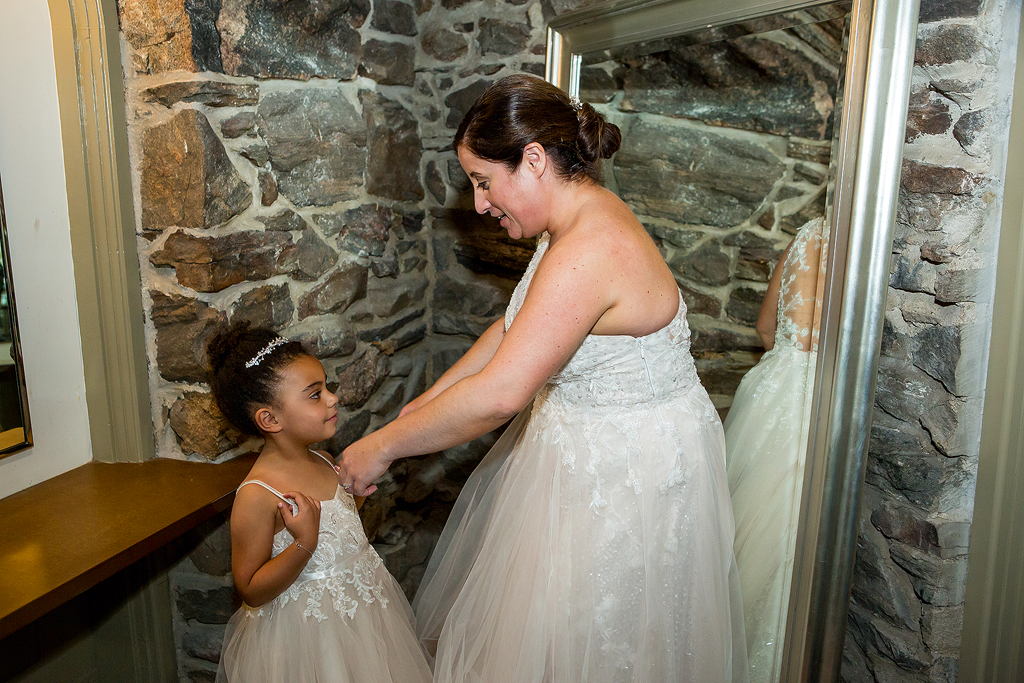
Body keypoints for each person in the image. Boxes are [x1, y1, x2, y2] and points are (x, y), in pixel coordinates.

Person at [341, 74, 747, 682]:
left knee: (593, 644)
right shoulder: (571, 221)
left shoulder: (589, 247)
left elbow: (504, 391)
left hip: (625, 477)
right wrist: (424, 405)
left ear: (532, 160)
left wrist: (379, 448)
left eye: (483, 181)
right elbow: (515, 327)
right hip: (585, 449)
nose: (479, 205)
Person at [206, 322, 432, 683]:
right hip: (307, 636)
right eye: (315, 394)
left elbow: (335, 531)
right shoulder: (258, 495)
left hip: (363, 614)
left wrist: (353, 501)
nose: (333, 398)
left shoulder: (326, 459)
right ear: (269, 418)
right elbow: (249, 587)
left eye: (327, 387)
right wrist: (303, 543)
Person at [724, 217, 826, 683]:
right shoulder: (869, 241)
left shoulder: (809, 232)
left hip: (770, 391)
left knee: (746, 532)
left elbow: (767, 328)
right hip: (817, 397)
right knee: (792, 543)